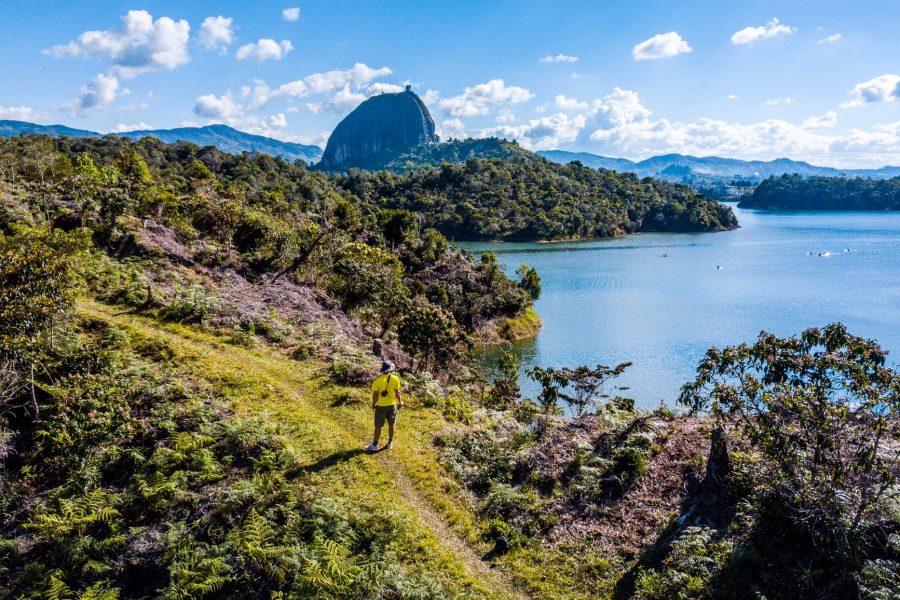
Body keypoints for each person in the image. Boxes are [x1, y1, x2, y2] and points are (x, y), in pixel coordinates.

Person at [365, 361, 403, 452]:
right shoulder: (395, 378)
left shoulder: (377, 380)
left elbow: (375, 395)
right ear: (391, 369)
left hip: (381, 406)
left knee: (378, 426)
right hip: (392, 405)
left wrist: (373, 404)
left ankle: (375, 445)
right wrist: (400, 402)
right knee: (392, 424)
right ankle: (390, 443)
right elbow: (397, 393)